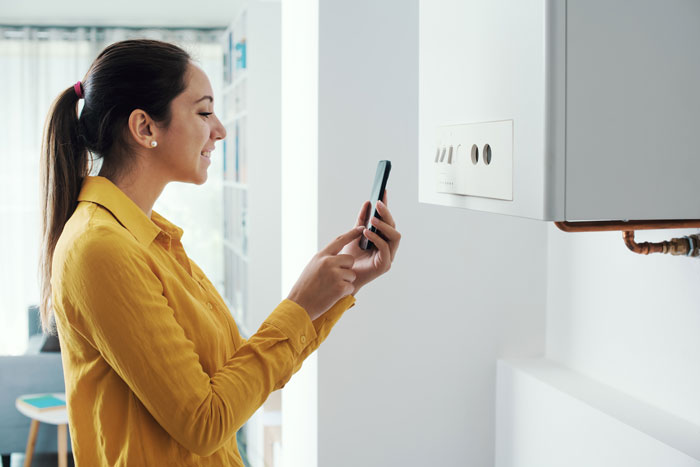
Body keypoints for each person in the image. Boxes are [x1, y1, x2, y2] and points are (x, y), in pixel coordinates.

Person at [38, 39, 401, 466]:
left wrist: (340, 288)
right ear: (145, 128)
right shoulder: (98, 249)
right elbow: (203, 422)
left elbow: (236, 374)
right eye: (204, 112)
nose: (220, 130)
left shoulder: (149, 239)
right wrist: (299, 304)